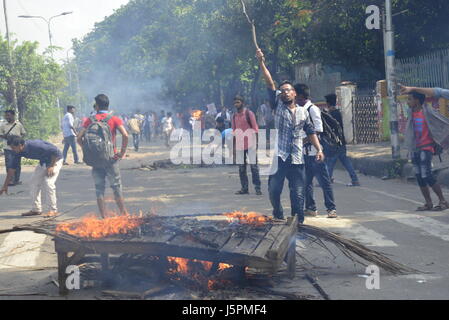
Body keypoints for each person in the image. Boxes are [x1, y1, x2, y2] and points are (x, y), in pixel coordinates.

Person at [257, 49, 324, 224]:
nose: (285, 92)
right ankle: (278, 212)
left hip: (297, 158)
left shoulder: (303, 112)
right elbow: (270, 83)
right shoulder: (277, 105)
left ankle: (297, 223)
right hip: (280, 157)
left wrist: (319, 149)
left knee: (298, 194)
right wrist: (261, 62)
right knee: (274, 189)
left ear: (294, 93)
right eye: (282, 91)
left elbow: (310, 131)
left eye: (288, 90)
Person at [77, 94, 129, 218]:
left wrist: (87, 150)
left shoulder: (90, 120)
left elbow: (79, 138)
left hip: (96, 160)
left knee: (99, 188)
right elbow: (125, 135)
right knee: (116, 186)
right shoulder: (114, 119)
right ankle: (124, 214)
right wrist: (121, 153)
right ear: (108, 105)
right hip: (111, 158)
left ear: (97, 106)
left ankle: (104, 217)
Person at [296, 84, 338, 219]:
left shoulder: (312, 109)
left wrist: (304, 141)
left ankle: (331, 209)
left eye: (295, 94)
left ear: (301, 96)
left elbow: (318, 129)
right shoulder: (299, 109)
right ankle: (311, 208)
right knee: (306, 182)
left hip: (315, 152)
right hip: (304, 153)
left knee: (324, 181)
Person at [404, 92, 449, 211]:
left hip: (426, 147)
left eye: (409, 99)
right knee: (419, 176)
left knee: (426, 174)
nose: (407, 102)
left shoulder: (427, 112)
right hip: (415, 148)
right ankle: (428, 203)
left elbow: (442, 122)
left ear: (417, 101)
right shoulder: (410, 113)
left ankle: (443, 201)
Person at [1, 136, 63, 217]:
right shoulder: (17, 152)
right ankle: (36, 209)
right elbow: (12, 169)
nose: (12, 150)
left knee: (49, 183)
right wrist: (5, 186)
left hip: (55, 160)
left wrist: (51, 166)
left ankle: (53, 210)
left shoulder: (35, 145)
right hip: (43, 161)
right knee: (33, 183)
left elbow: (55, 151)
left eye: (13, 147)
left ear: (20, 145)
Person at [324, 93, 360, 186]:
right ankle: (354, 179)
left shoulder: (330, 115)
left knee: (330, 161)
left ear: (328, 104)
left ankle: (327, 180)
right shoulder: (337, 113)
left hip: (334, 143)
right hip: (341, 142)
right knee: (345, 161)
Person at [232, 95, 262, 196]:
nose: (236, 104)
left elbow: (255, 129)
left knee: (254, 167)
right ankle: (244, 188)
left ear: (242, 103)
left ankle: (257, 188)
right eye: (235, 103)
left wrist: (256, 143)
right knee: (241, 168)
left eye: (238, 102)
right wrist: (234, 147)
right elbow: (234, 132)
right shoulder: (234, 116)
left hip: (251, 144)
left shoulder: (249, 114)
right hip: (240, 145)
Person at [0, 110, 26, 186]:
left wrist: (18, 140)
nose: (7, 117)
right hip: (7, 147)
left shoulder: (18, 124)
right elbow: (0, 134)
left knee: (17, 164)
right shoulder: (3, 125)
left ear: (13, 115)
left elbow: (23, 133)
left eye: (8, 115)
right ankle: (10, 180)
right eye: (6, 115)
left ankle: (16, 180)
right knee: (9, 164)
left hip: (17, 147)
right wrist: (6, 137)